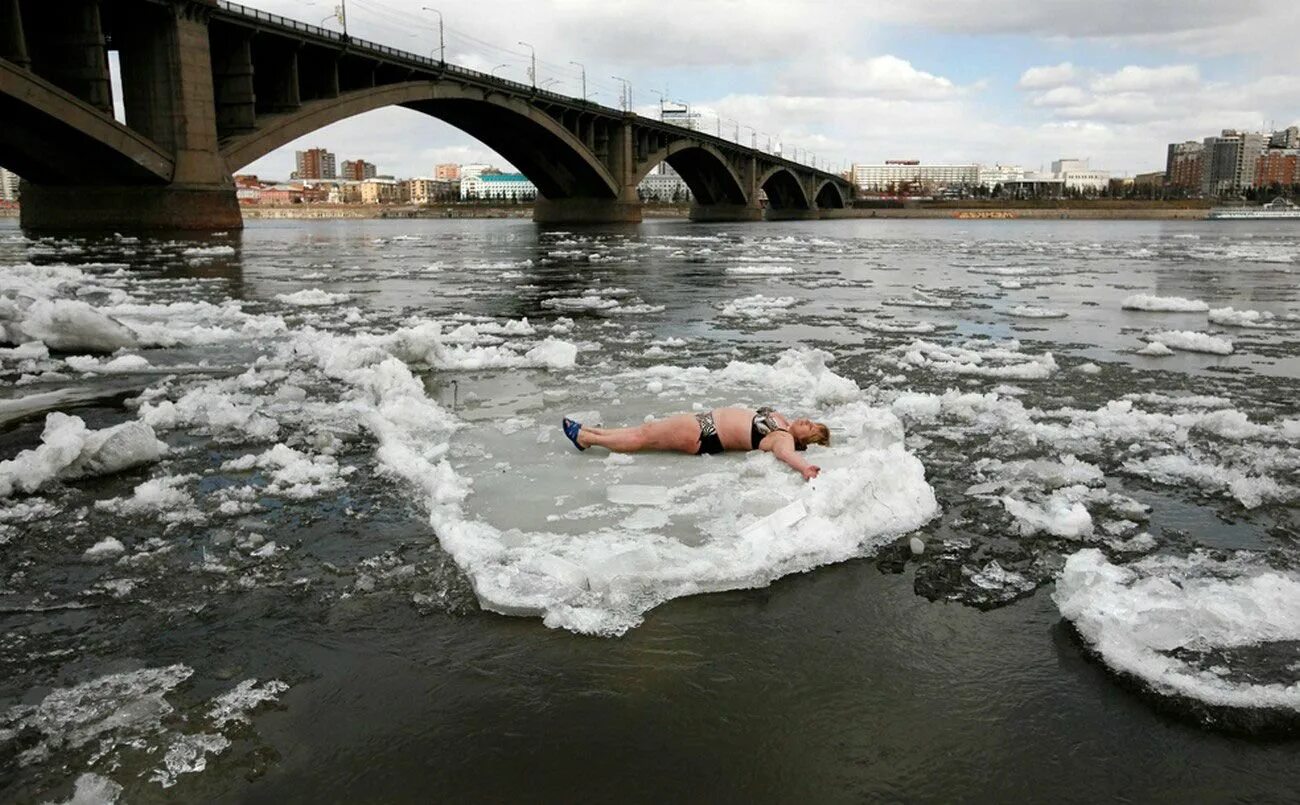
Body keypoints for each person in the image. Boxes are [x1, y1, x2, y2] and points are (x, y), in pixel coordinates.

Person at [561, 407, 830, 481]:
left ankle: (585, 439)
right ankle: (589, 433)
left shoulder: (782, 438)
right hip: (704, 424)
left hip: (706, 432)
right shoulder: (781, 421)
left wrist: (804, 467)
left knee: (644, 436)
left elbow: (787, 455)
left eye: (811, 429)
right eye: (812, 422)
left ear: (802, 440)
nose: (808, 422)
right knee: (645, 431)